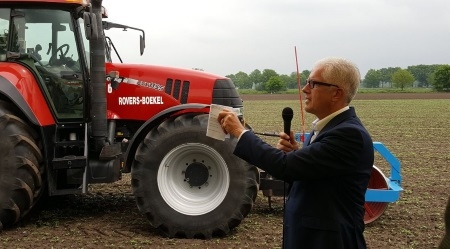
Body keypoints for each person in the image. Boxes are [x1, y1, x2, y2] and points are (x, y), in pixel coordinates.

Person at [218, 57, 373, 249]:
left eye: (313, 83)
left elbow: (284, 167)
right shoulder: (328, 128)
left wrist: (240, 133)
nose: (305, 89)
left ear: (336, 93)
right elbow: (318, 178)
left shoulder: (349, 134)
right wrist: (297, 155)